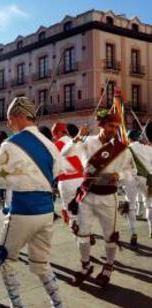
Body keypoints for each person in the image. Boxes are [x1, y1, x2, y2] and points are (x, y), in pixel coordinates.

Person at [0, 97, 66, 308]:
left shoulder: (11, 144)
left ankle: (17, 307)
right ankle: (59, 306)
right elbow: (57, 171)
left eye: (10, 119)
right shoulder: (49, 143)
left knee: (5, 259)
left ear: (19, 117)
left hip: (22, 211)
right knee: (41, 263)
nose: (9, 123)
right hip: (47, 211)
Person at [62, 110, 136, 287]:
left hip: (108, 197)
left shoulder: (121, 149)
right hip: (87, 195)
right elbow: (65, 153)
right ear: (101, 125)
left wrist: (119, 175)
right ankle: (85, 266)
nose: (114, 129)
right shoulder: (87, 142)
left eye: (116, 127)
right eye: (111, 125)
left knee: (110, 235)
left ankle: (108, 267)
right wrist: (78, 138)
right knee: (82, 233)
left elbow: (132, 171)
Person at [51, 123, 84, 225]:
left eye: (54, 135)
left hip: (66, 182)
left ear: (58, 133)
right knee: (83, 209)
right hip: (82, 180)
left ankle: (80, 236)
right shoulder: (77, 142)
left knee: (71, 213)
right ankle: (85, 231)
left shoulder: (55, 146)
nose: (53, 137)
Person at [126, 130, 152, 239]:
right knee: (150, 204)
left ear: (129, 138)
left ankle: (133, 232)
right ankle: (151, 230)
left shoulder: (126, 149)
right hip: (147, 178)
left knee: (130, 206)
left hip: (130, 178)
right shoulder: (149, 148)